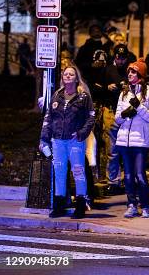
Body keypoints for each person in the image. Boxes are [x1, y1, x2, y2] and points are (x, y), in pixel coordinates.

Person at [40, 65, 95, 219]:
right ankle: (59, 206)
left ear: (76, 78)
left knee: (78, 172)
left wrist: (81, 133)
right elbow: (48, 118)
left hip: (75, 141)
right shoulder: (57, 95)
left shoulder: (83, 97)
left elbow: (91, 118)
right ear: (62, 77)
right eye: (66, 74)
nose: (68, 76)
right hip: (58, 141)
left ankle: (80, 205)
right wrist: (44, 138)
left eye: (71, 74)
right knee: (59, 172)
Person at [115, 59, 149, 218]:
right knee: (127, 175)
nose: (130, 75)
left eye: (133, 72)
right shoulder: (124, 93)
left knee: (140, 174)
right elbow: (117, 118)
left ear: (140, 74)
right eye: (129, 72)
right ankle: (131, 204)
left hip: (140, 141)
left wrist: (139, 107)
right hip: (124, 140)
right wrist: (124, 114)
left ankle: (145, 206)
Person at [102, 44, 131, 194]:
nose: (121, 60)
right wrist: (107, 88)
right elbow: (98, 89)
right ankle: (113, 181)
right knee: (112, 150)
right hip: (111, 112)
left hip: (126, 114)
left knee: (127, 149)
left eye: (123, 58)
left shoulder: (129, 70)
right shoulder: (107, 70)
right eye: (119, 57)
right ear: (115, 56)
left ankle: (128, 180)